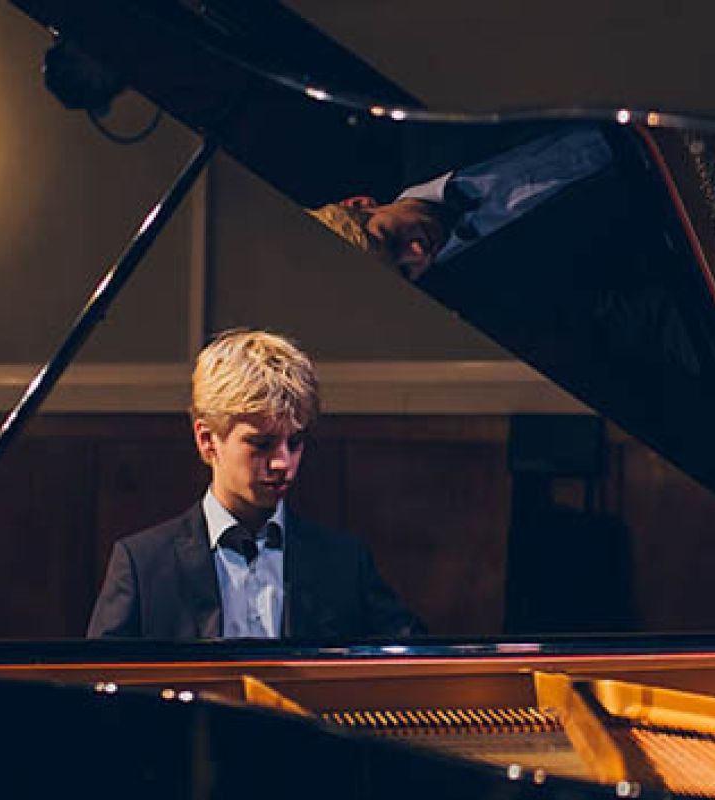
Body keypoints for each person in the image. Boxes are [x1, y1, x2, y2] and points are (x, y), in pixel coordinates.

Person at [87, 329, 423, 639]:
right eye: (262, 444)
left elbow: (420, 667)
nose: (282, 463)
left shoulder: (345, 563)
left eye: (295, 443)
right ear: (207, 440)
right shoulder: (143, 564)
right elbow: (99, 691)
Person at [308, 126, 612, 281]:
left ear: (361, 203)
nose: (417, 254)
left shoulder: (433, 122)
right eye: (405, 272)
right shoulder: (497, 290)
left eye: (390, 239)